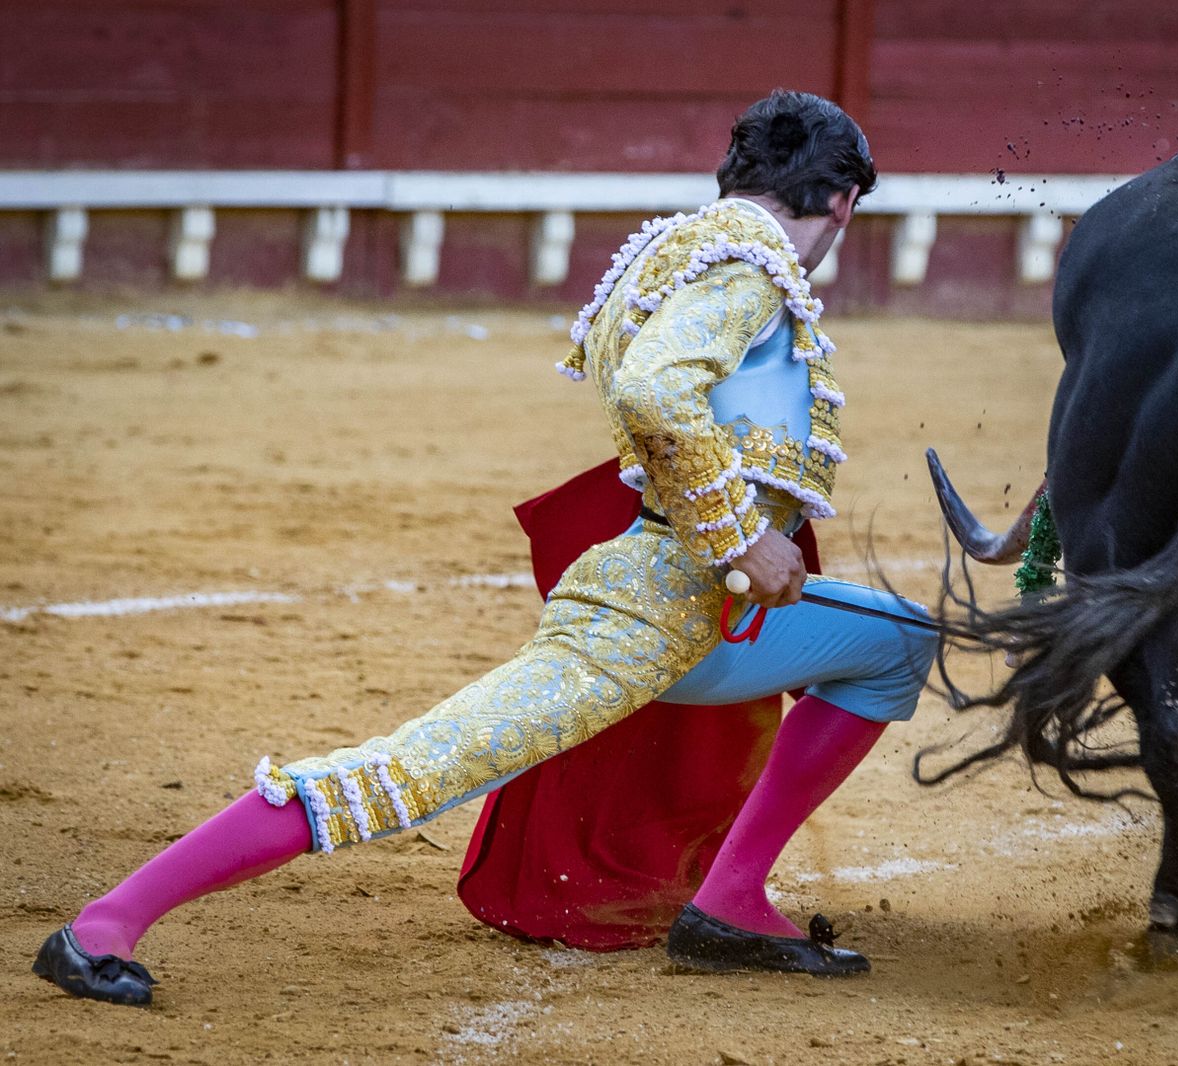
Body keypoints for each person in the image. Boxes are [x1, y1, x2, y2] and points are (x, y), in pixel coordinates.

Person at [32, 89, 937, 1007]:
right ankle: (106, 920)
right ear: (842, 203)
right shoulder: (749, 269)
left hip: (702, 607)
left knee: (898, 641)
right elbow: (655, 391)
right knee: (417, 768)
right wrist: (742, 535)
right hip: (647, 610)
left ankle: (734, 899)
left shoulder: (683, 246)